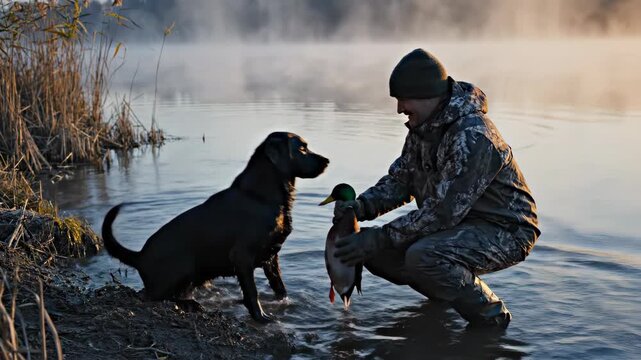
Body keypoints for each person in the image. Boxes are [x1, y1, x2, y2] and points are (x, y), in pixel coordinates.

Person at [333, 49, 540, 328]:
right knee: (369, 248)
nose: (399, 109)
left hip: (507, 229)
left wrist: (381, 237)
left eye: (403, 100)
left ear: (426, 95)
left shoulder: (474, 136)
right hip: (456, 225)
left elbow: (443, 213)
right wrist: (359, 207)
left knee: (423, 255)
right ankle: (444, 293)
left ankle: (492, 318)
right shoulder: (423, 129)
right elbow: (399, 181)